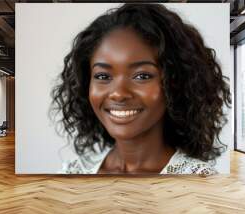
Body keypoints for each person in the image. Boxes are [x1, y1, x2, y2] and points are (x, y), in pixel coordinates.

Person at [52, 3, 231, 175]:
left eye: (142, 76)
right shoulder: (73, 173)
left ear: (175, 82)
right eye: (103, 76)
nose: (119, 94)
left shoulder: (198, 182)